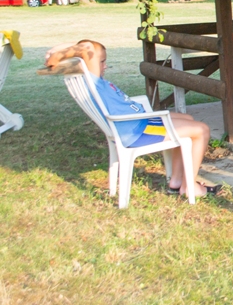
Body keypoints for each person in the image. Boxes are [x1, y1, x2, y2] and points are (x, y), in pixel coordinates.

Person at [45, 40, 220, 198]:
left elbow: (83, 49)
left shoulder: (91, 80)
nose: (105, 66)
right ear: (87, 60)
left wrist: (57, 48)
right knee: (201, 130)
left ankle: (176, 181)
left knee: (187, 118)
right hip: (137, 130)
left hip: (134, 123)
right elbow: (87, 48)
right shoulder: (94, 79)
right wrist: (56, 54)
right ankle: (190, 187)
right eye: (102, 61)